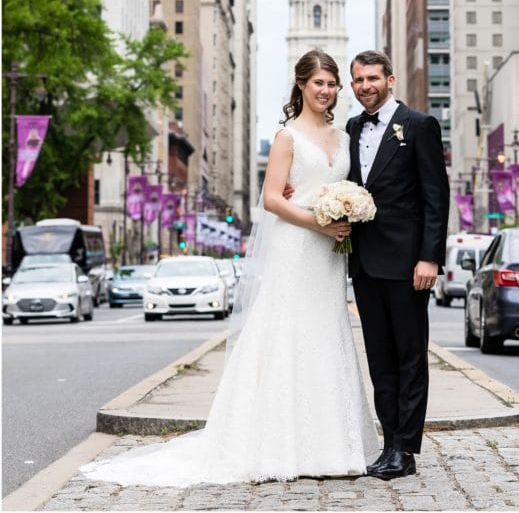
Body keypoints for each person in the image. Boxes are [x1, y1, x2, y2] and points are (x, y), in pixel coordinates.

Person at [81, 49, 377, 485]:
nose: (326, 91)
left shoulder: (345, 138)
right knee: (289, 332)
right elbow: (273, 199)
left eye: (332, 84)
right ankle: (281, 444)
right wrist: (320, 222)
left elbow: (344, 185)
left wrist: (347, 213)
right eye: (318, 83)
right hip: (299, 246)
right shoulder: (287, 137)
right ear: (301, 85)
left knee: (326, 332)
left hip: (330, 256)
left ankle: (332, 445)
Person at [346, 50, 450, 481]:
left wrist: (430, 257)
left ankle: (405, 450)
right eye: (358, 80)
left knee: (409, 357)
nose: (365, 86)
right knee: (379, 358)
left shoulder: (420, 126)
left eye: (372, 78)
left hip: (409, 264)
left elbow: (435, 197)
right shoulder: (351, 128)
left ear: (391, 80)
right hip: (365, 264)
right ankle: (387, 440)